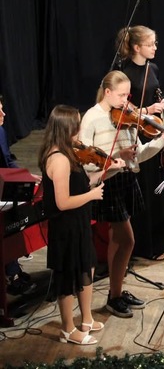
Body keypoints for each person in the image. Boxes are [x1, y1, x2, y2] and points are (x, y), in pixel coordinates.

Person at [80, 70, 164, 318]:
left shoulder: (126, 117)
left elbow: (139, 154)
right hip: (109, 183)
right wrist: (116, 157)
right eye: (121, 95)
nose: (126, 101)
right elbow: (85, 161)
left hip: (127, 179)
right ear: (107, 92)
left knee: (118, 240)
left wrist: (162, 140)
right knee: (127, 240)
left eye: (128, 95)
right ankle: (114, 295)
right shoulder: (92, 118)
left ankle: (115, 294)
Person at [39, 105, 124, 344]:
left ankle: (86, 319)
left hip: (79, 222)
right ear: (67, 127)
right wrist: (92, 196)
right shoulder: (59, 159)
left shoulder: (70, 153)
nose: (80, 129)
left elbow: (84, 183)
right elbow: (63, 202)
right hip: (65, 227)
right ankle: (68, 329)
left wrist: (108, 170)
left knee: (86, 267)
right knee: (68, 275)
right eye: (77, 124)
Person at [114, 25, 164, 258]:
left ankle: (160, 242)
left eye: (155, 43)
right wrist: (148, 110)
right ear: (136, 47)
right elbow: (122, 108)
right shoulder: (124, 72)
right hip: (135, 132)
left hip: (154, 129)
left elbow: (156, 93)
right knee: (144, 185)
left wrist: (163, 103)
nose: (155, 48)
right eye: (150, 44)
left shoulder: (153, 68)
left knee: (157, 184)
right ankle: (144, 246)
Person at [0, 96, 36, 296]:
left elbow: (8, 160)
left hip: (4, 183)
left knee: (20, 210)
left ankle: (13, 267)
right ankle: (11, 274)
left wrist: (26, 175)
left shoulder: (1, 131)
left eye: (3, 108)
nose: (4, 114)